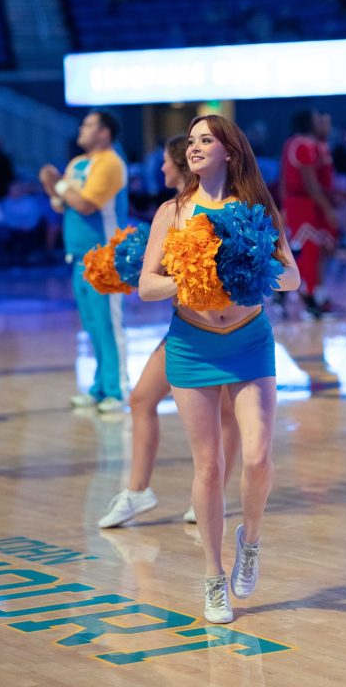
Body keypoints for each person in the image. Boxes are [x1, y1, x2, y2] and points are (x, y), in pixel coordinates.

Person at [139, 115, 300, 624]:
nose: (195, 147)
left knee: (255, 458)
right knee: (207, 466)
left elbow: (292, 276)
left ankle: (249, 540)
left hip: (250, 341)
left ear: (230, 150)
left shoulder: (255, 207)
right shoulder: (174, 211)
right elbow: (146, 286)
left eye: (206, 140)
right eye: (190, 141)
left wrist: (252, 273)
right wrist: (194, 276)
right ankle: (213, 578)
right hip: (192, 345)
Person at [98, 136, 241, 528]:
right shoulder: (170, 210)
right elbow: (157, 278)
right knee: (142, 399)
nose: (160, 169)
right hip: (185, 328)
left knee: (227, 413)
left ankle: (215, 494)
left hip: (227, 329)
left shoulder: (221, 205)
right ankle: (138, 491)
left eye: (165, 162)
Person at [39, 110, 128, 413]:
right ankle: (100, 387)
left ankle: (117, 390)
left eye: (88, 124)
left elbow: (87, 205)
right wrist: (50, 184)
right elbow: (63, 204)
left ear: (104, 132)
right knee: (91, 325)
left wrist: (60, 185)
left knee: (109, 325)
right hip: (78, 255)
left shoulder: (111, 163)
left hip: (105, 256)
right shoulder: (77, 163)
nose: (81, 128)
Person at [280, 110, 337, 318]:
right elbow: (311, 184)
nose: (321, 123)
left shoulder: (303, 144)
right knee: (309, 252)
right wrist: (328, 208)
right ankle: (308, 299)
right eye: (317, 120)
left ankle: (316, 296)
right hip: (303, 204)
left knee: (318, 250)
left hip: (306, 203)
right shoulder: (302, 144)